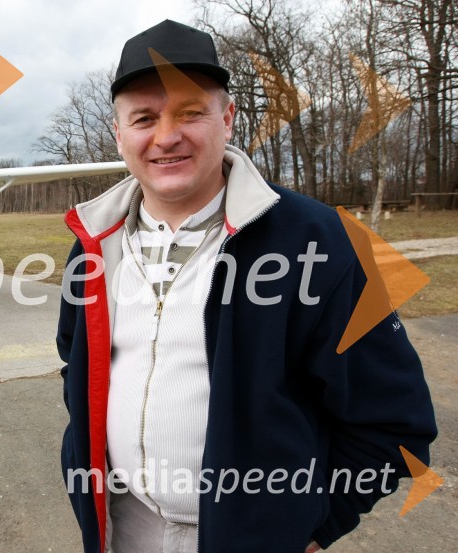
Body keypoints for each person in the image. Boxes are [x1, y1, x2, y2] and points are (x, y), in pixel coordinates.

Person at [57, 20, 437, 553]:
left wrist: (314, 528)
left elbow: (396, 421)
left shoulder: (319, 239)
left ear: (228, 118)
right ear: (119, 133)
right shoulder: (93, 245)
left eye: (191, 112)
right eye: (144, 118)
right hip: (121, 528)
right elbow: (76, 363)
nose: (167, 136)